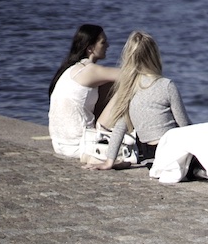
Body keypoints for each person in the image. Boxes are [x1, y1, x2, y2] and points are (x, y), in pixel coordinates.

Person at [85, 30, 191, 171]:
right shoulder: (166, 85)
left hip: (149, 158)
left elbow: (120, 128)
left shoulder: (129, 87)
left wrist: (109, 162)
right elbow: (185, 126)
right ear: (154, 56)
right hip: (171, 153)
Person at [48, 24, 120, 157]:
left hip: (59, 144)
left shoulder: (71, 69)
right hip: (81, 146)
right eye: (103, 42)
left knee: (110, 83)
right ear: (90, 48)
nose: (108, 45)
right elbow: (130, 75)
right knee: (126, 87)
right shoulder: (89, 70)